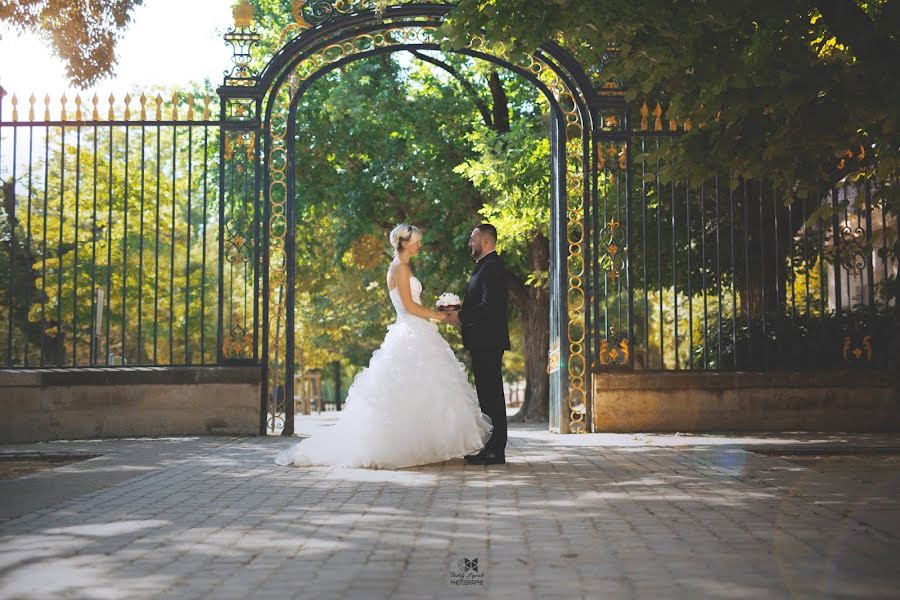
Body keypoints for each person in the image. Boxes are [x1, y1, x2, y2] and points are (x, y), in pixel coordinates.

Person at [274, 224, 492, 469]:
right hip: (410, 329)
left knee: (423, 388)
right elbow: (409, 306)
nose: (420, 245)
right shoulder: (398, 267)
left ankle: (424, 444)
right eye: (417, 241)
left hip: (417, 330)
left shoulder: (405, 267)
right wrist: (439, 316)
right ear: (406, 243)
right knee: (409, 388)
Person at [446, 224, 510, 465]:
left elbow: (489, 305)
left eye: (473, 239)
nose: (469, 243)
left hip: (488, 341)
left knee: (492, 396)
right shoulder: (484, 266)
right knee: (487, 395)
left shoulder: (492, 267)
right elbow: (481, 304)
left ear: (485, 241)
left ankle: (496, 450)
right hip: (482, 341)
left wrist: (461, 317)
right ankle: (492, 447)